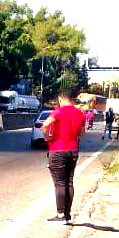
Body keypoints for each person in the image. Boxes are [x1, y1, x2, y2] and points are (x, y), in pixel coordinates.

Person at [41, 88, 86, 225]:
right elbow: (82, 133)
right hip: (73, 150)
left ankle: (60, 215)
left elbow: (45, 125)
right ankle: (67, 214)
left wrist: (48, 137)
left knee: (60, 183)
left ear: (61, 99)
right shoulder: (80, 113)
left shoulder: (58, 111)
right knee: (69, 182)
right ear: (72, 99)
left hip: (58, 150)